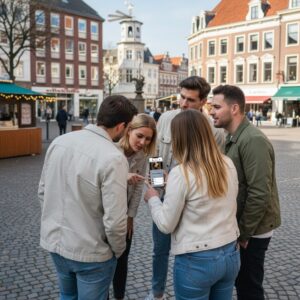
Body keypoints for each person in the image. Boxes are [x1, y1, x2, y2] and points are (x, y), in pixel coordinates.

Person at [38, 95, 137, 300]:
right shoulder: (114, 157)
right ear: (121, 126)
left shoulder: (59, 142)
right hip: (92, 252)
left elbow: (43, 192)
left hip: (57, 243)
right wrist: (117, 252)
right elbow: (115, 221)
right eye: (128, 128)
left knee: (67, 295)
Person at [144, 109, 240, 300]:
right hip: (230, 253)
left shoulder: (183, 172)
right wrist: (172, 181)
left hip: (197, 260)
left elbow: (165, 224)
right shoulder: (227, 163)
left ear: (179, 138)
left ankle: (156, 293)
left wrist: (153, 198)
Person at [210, 85, 281, 300]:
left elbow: (260, 192)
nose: (211, 111)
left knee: (249, 287)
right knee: (243, 283)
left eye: (216, 107)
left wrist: (244, 232)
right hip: (243, 227)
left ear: (234, 109)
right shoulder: (231, 137)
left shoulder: (252, 140)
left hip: (253, 230)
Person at [111, 114, 157, 300]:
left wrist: (131, 216)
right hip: (108, 213)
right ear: (128, 130)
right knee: (104, 263)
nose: (143, 142)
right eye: (139, 136)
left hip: (125, 216)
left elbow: (139, 188)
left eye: (147, 139)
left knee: (122, 261)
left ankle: (119, 296)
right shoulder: (112, 150)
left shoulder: (144, 155)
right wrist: (123, 176)